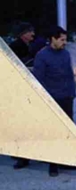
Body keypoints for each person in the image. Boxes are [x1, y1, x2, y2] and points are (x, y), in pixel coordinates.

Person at [33, 26, 76, 177]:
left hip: (66, 98)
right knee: (53, 133)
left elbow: (69, 75)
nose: (65, 42)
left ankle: (67, 161)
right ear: (53, 39)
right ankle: (53, 164)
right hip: (51, 100)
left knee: (67, 131)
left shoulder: (65, 54)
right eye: (62, 39)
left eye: (65, 39)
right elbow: (38, 80)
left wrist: (72, 93)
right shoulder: (42, 56)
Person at [10, 22, 36, 170]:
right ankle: (22, 156)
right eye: (29, 31)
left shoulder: (30, 46)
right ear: (22, 34)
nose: (32, 34)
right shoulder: (15, 46)